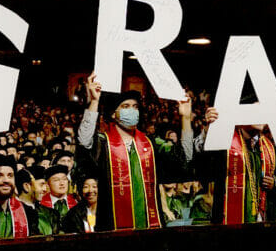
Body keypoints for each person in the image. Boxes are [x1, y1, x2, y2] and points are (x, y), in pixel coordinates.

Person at [76, 73, 195, 231]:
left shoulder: (151, 144)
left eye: (135, 106)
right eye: (125, 107)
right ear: (113, 114)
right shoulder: (103, 144)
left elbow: (184, 159)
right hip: (113, 228)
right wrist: (94, 102)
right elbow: (84, 142)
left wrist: (185, 119)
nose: (132, 110)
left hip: (150, 227)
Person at [40, 163, 79, 228]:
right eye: (56, 180)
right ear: (48, 184)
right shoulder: (41, 204)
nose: (62, 183)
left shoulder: (76, 201)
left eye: (64, 179)